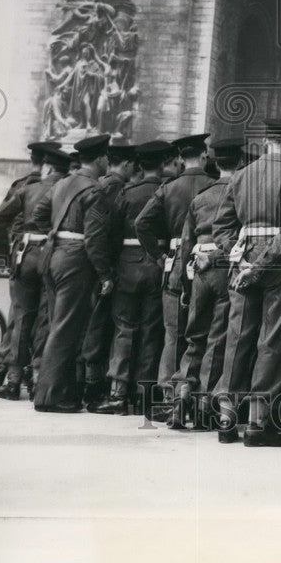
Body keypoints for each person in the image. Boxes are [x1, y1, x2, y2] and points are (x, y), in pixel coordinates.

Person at [211, 118, 281, 447]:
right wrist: (260, 264)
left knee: (237, 335)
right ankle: (257, 423)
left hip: (243, 261)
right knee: (272, 338)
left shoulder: (241, 175)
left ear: (266, 142)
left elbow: (220, 227)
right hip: (278, 264)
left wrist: (239, 257)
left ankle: (226, 419)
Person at [168, 135, 248, 429]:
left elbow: (186, 243)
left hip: (198, 268)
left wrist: (186, 284)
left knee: (194, 337)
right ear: (241, 162)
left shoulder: (200, 197)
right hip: (225, 267)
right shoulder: (242, 193)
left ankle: (181, 398)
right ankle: (204, 405)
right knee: (218, 339)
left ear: (215, 163)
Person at [32, 134, 114, 412]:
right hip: (76, 261)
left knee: (58, 324)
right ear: (100, 159)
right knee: (66, 328)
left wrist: (56, 233)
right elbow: (95, 239)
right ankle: (49, 397)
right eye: (106, 158)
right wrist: (105, 274)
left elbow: (38, 215)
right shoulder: (95, 190)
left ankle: (62, 392)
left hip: (53, 256)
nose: (108, 163)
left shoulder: (61, 183)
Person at [134, 133, 213, 418]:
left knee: (173, 333)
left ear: (180, 158)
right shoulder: (214, 185)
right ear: (204, 155)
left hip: (177, 262)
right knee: (204, 333)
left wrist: (158, 255)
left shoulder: (168, 188)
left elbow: (141, 223)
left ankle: (169, 397)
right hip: (207, 260)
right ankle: (197, 396)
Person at [93, 141, 174, 415]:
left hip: (127, 265)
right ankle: (143, 396)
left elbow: (111, 231)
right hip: (158, 264)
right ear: (163, 163)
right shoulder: (168, 190)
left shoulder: (126, 193)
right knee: (152, 331)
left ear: (138, 164)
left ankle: (117, 394)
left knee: (124, 328)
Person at [0, 145, 70, 400]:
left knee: (22, 317)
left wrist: (4, 253)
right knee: (46, 318)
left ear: (47, 166)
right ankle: (38, 378)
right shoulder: (68, 190)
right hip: (54, 254)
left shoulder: (27, 189)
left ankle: (13, 380)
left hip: (26, 254)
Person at [81, 142, 136, 407]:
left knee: (97, 325)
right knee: (100, 327)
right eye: (133, 165)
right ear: (126, 164)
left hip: (98, 266)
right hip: (105, 267)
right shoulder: (113, 188)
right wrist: (105, 273)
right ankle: (93, 389)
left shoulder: (103, 185)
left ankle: (92, 384)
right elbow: (98, 234)